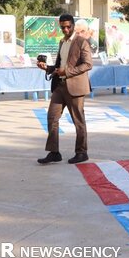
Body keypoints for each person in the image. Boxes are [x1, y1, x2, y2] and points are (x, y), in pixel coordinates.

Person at [37, 14, 93, 165]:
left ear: (73, 25)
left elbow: (88, 64)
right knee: (51, 118)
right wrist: (47, 68)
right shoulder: (62, 42)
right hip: (60, 86)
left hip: (75, 87)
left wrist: (67, 72)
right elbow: (59, 66)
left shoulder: (82, 42)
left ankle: (82, 152)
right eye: (63, 27)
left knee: (78, 121)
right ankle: (54, 152)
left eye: (68, 26)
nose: (66, 29)